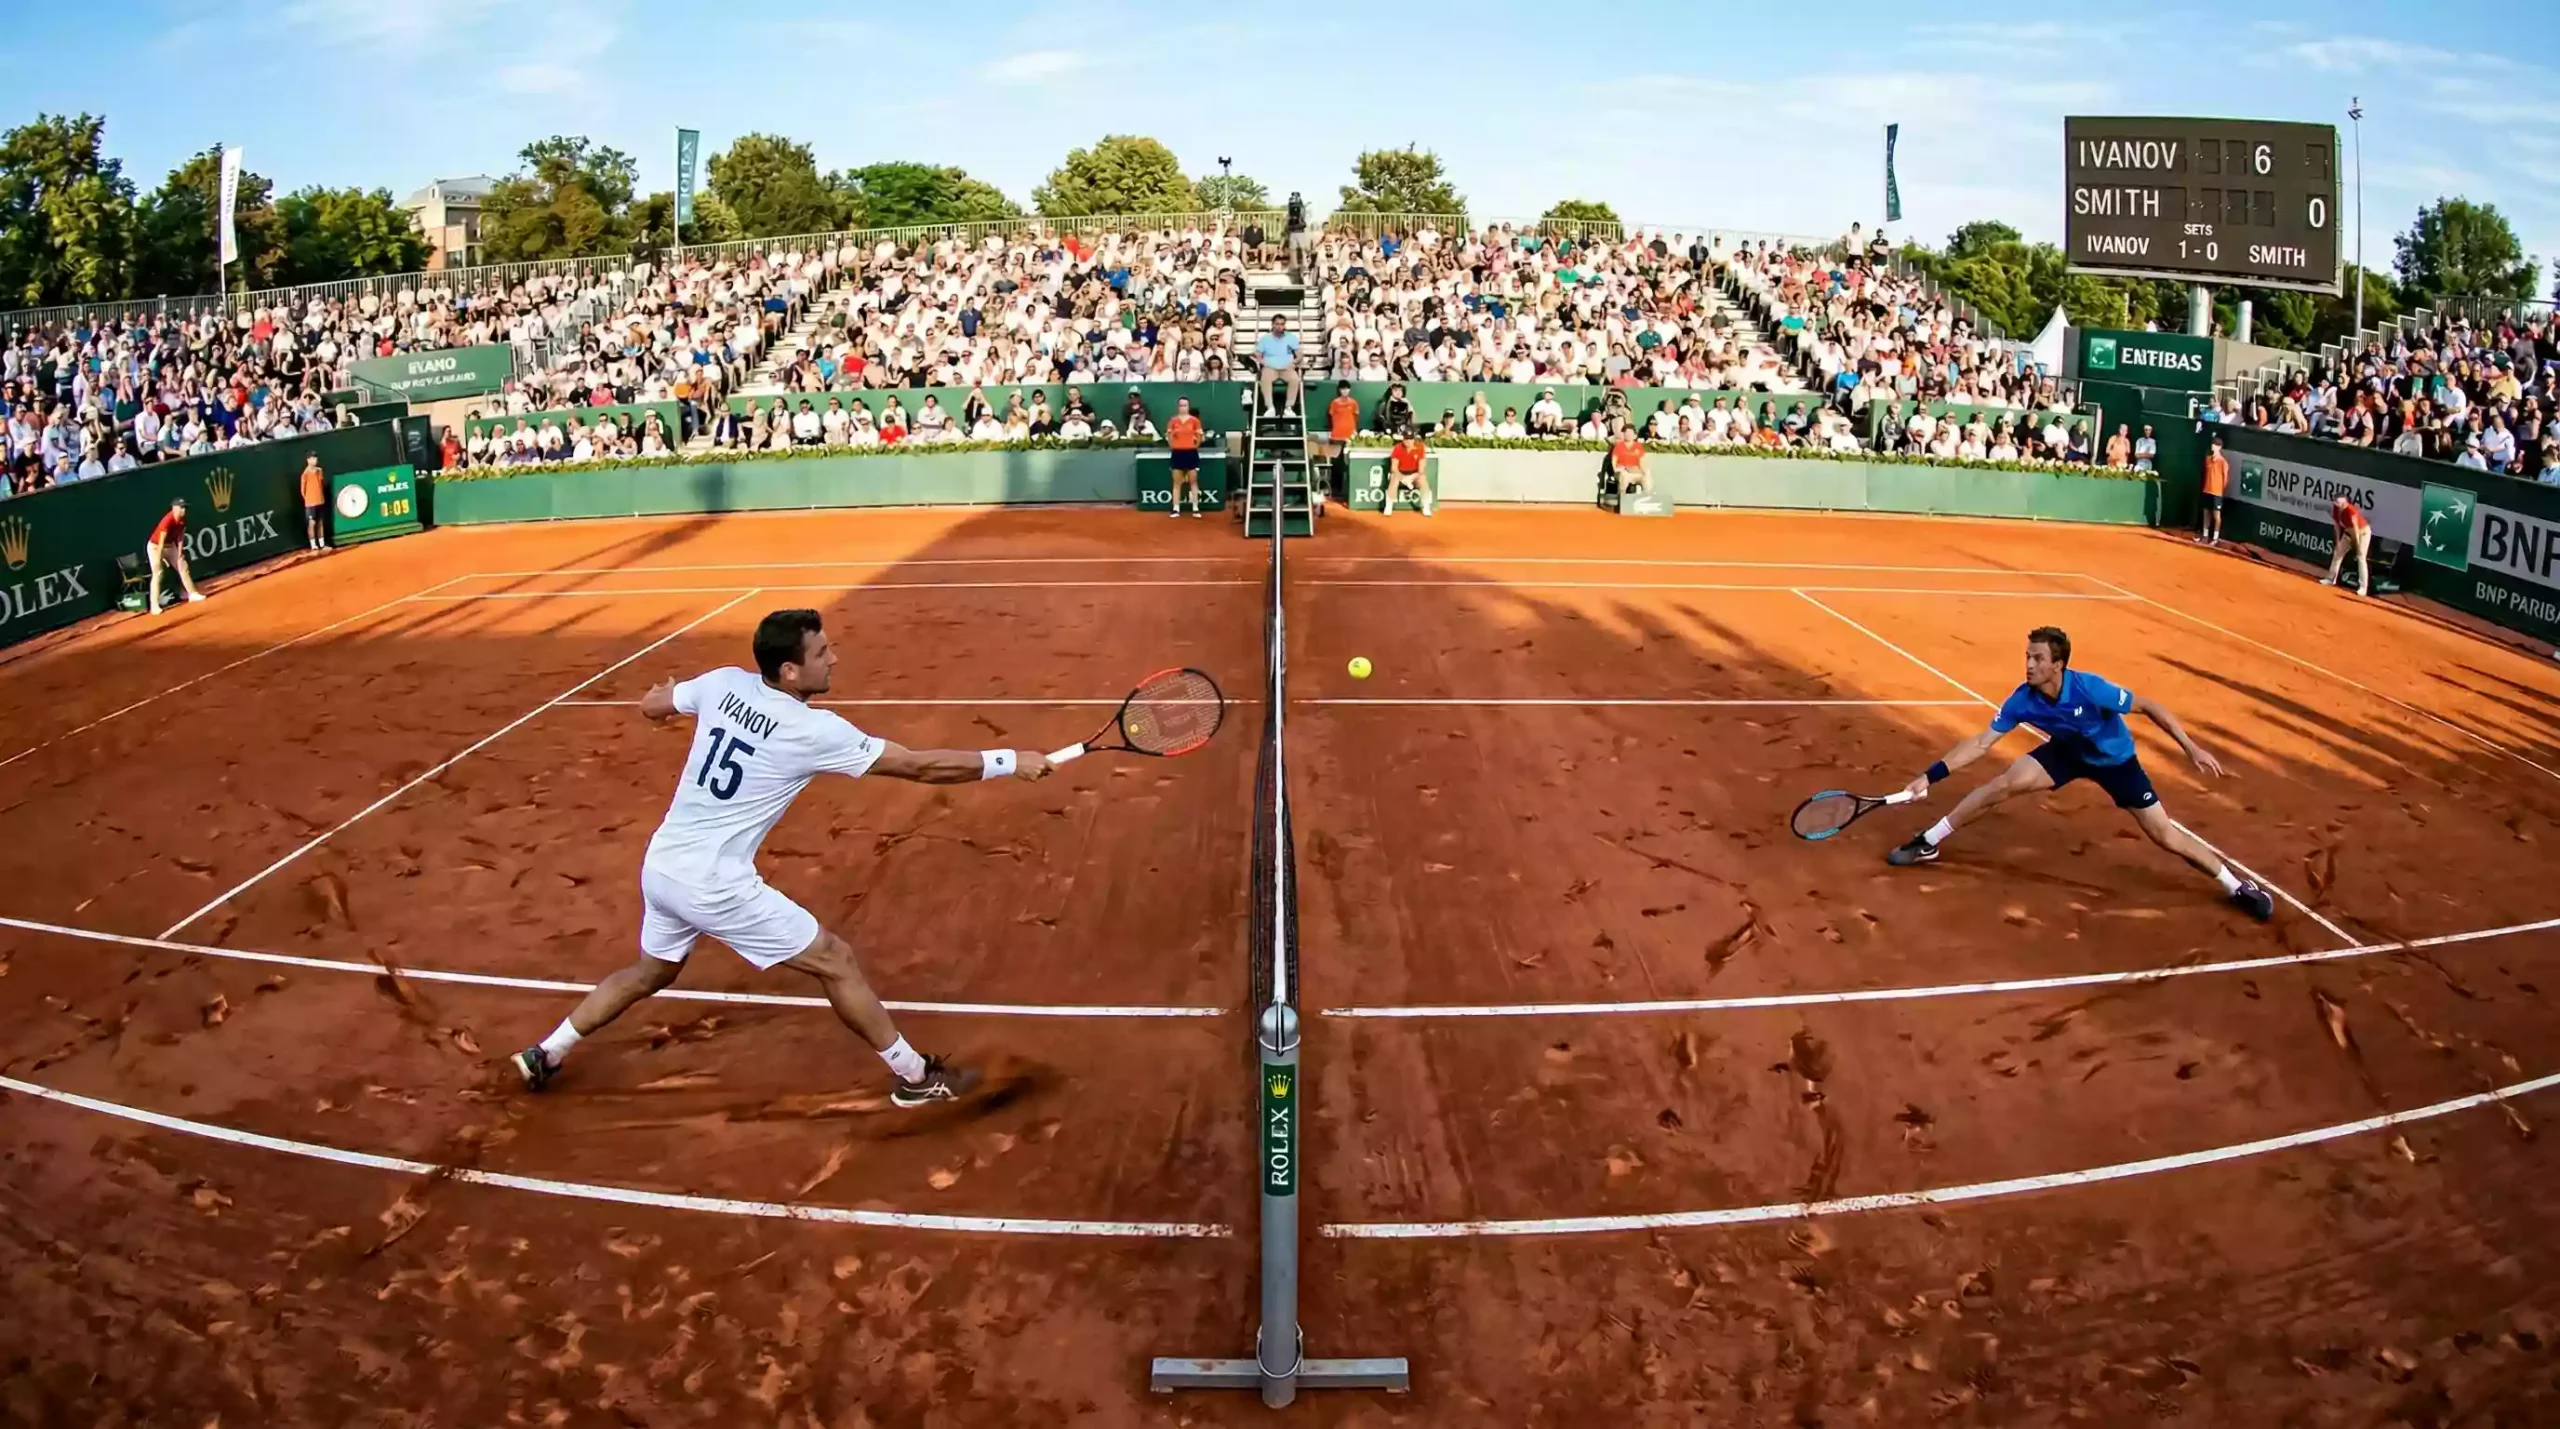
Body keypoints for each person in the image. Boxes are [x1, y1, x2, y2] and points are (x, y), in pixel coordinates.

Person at [509, 609, 1054, 1103]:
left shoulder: (721, 684)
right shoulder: (813, 730)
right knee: (834, 960)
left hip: (663, 866)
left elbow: (654, 706)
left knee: (651, 970)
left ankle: (546, 1052)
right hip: (713, 883)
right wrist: (1009, 761)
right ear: (790, 672)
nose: (834, 657)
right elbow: (916, 767)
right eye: (821, 652)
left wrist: (663, 697)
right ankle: (914, 1078)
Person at [1884, 626, 2275, 923]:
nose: (2029, 665)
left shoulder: (2091, 689)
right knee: (2001, 785)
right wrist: (1929, 776)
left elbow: (2150, 706)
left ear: (2058, 665)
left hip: (2116, 762)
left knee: (2164, 834)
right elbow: (1981, 743)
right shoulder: (2023, 698)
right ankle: (1929, 841)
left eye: (2037, 658)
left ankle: (2236, 886)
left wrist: (2191, 747)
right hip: (2068, 752)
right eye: (2027, 657)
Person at [146, 497, 207, 614]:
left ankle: (192, 594)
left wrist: (179, 553)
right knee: (158, 573)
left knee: (182, 566)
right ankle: (154, 606)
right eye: (181, 507)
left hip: (170, 546)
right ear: (174, 508)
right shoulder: (167, 521)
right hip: (155, 546)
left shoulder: (183, 520)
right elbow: (161, 541)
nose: (184, 510)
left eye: (185, 508)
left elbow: (180, 537)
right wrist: (159, 559)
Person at [1165, 396, 1207, 518]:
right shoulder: (1173, 421)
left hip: (1191, 453)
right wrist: (1173, 446)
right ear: (1178, 407)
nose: (1183, 407)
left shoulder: (1195, 421)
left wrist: (1195, 446)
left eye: (1185, 405)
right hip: (1177, 453)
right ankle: (1176, 509)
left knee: (1193, 481)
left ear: (1188, 407)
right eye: (1181, 405)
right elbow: (1169, 436)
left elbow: (1199, 436)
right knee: (1177, 482)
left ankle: (1195, 508)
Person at [1256, 315, 1302, 419]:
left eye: (1282, 324)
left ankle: (1289, 408)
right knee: (1265, 378)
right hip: (1270, 367)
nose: (1279, 327)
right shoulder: (1265, 339)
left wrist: (1294, 362)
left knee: (1295, 379)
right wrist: (1264, 362)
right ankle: (1270, 407)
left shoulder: (1291, 337)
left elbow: (1299, 354)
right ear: (1272, 325)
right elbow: (1257, 355)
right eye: (1277, 324)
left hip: (1287, 368)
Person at [2326, 495, 2373, 597]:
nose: (2340, 505)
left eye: (2342, 503)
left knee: (2361, 558)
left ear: (2346, 503)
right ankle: (2330, 579)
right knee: (2338, 553)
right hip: (2348, 533)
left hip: (2362, 534)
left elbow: (2356, 530)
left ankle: (2363, 588)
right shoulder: (2335, 510)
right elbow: (2337, 526)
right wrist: (2338, 542)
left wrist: (2357, 545)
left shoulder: (2351, 512)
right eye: (2338, 503)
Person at [1382, 429, 1431, 516]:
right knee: (1394, 478)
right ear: (1403, 439)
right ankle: (1389, 505)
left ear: (1413, 439)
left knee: (1422, 478)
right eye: (1406, 438)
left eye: (1410, 439)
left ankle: (1426, 506)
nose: (1408, 441)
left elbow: (1421, 470)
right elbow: (1394, 468)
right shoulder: (1398, 448)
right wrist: (1403, 478)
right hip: (1400, 473)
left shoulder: (1420, 448)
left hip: (1414, 474)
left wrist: (1411, 478)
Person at [2199, 436, 2229, 546]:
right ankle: (2205, 536)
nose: (2213, 446)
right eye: (2212, 444)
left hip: (2217, 493)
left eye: (2216, 445)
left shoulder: (2223, 463)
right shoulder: (2207, 459)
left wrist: (2220, 490)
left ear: (2219, 447)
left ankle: (2215, 538)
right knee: (2206, 514)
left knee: (2217, 516)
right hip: (2207, 490)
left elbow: (2225, 479)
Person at [1610, 416, 1650, 496]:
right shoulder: (1619, 446)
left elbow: (1642, 462)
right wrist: (1616, 470)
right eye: (1626, 433)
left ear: (1634, 435)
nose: (1628, 435)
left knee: (1647, 475)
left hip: (1635, 471)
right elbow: (1614, 461)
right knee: (1624, 476)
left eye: (1630, 433)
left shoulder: (1638, 446)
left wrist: (1644, 471)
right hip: (1623, 471)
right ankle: (1622, 498)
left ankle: (1647, 498)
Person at [298, 453, 330, 551]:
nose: (315, 460)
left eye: (316, 458)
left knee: (320, 523)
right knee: (312, 523)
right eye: (312, 458)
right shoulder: (305, 474)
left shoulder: (320, 471)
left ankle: (322, 544)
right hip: (310, 503)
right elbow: (302, 491)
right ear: (308, 460)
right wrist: (309, 499)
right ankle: (313, 545)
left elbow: (321, 484)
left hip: (320, 501)